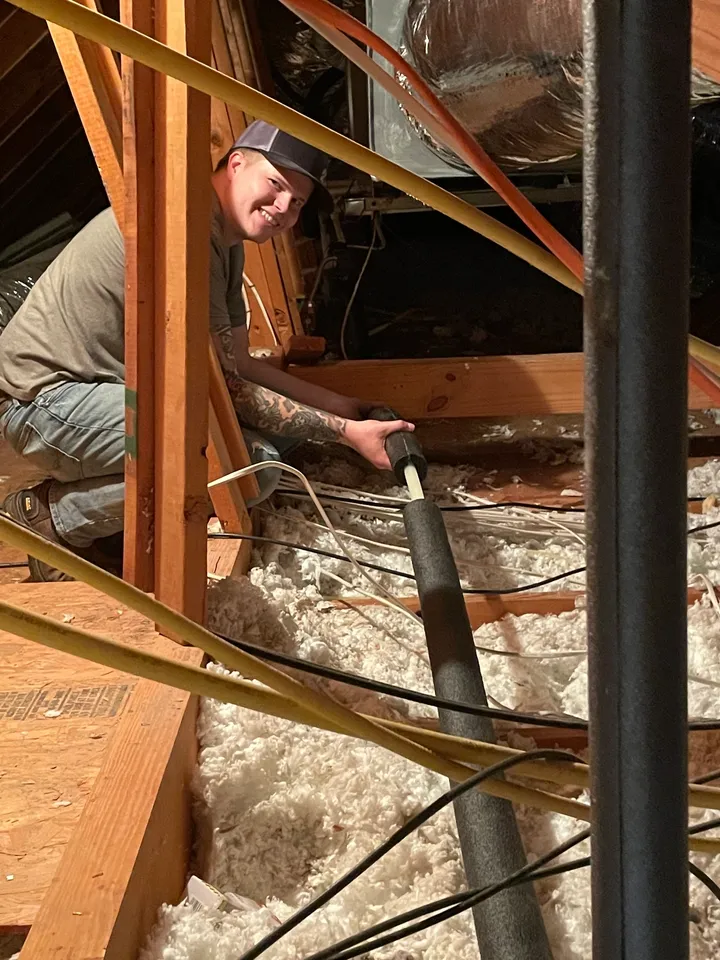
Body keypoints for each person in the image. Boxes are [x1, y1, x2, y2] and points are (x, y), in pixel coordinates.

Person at [0, 121, 412, 581]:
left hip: (100, 395)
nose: (283, 209)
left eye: (296, 203)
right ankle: (54, 516)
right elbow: (231, 391)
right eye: (275, 186)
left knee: (275, 441)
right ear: (236, 163)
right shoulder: (188, 228)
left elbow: (236, 365)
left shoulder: (226, 240)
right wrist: (344, 432)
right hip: (44, 403)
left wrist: (345, 409)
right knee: (248, 466)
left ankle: (113, 517)